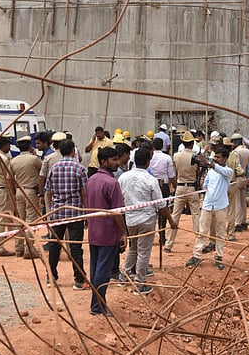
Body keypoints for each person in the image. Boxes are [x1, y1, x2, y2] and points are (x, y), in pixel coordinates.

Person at [85, 147, 128, 315]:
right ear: (104, 162)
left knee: (96, 269)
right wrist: (123, 233)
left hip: (94, 231)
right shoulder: (112, 183)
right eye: (113, 160)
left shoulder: (92, 179)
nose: (117, 163)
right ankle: (98, 306)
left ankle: (96, 304)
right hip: (107, 233)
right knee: (103, 271)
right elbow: (117, 212)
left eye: (117, 159)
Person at [43, 140, 90, 290]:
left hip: (57, 214)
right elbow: (84, 193)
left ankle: (51, 277)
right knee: (75, 247)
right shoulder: (80, 169)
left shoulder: (53, 168)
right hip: (75, 213)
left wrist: (50, 210)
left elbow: (48, 191)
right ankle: (79, 279)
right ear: (72, 151)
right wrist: (86, 213)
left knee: (54, 246)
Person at [116, 147, 162, 294]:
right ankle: (140, 283)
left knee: (134, 248)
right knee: (143, 252)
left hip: (130, 220)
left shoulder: (123, 177)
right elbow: (160, 204)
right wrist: (171, 222)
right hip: (146, 220)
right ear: (148, 162)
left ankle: (124, 275)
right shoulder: (151, 180)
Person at [185, 146, 233, 270]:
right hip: (207, 205)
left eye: (219, 157)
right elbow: (205, 184)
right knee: (202, 231)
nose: (216, 159)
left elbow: (221, 171)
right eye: (215, 157)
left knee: (220, 233)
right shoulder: (211, 171)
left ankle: (219, 256)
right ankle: (196, 255)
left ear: (225, 158)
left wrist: (209, 164)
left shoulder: (228, 171)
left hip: (221, 206)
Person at [165, 131, 201, 253]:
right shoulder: (195, 156)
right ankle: (199, 244)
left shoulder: (176, 156)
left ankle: (169, 244)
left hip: (180, 187)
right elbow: (199, 171)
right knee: (196, 215)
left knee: (175, 215)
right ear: (192, 143)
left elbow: (174, 171)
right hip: (192, 187)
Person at [9, 135, 43, 258]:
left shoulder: (13, 160)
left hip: (19, 191)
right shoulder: (34, 159)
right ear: (30, 146)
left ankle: (19, 248)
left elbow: (9, 179)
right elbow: (42, 171)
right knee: (30, 221)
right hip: (30, 191)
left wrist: (13, 192)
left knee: (20, 220)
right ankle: (29, 249)